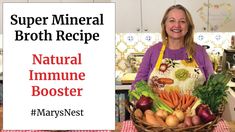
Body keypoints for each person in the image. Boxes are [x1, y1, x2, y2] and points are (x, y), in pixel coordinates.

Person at [131, 4, 214, 94]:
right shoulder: (152, 51)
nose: (177, 25)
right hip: (157, 108)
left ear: (188, 26)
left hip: (193, 108)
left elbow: (212, 86)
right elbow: (137, 86)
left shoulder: (200, 52)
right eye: (171, 21)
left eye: (182, 21)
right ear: (165, 24)